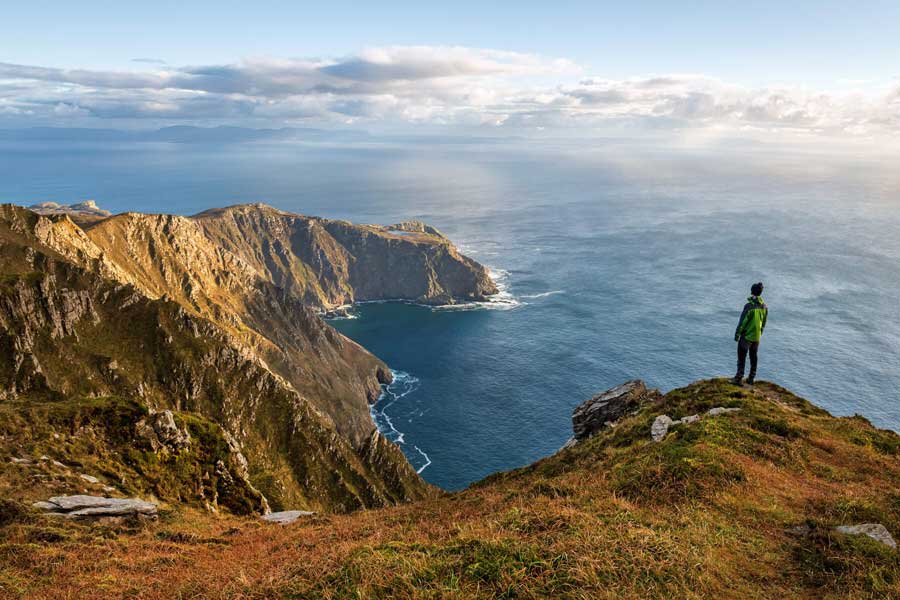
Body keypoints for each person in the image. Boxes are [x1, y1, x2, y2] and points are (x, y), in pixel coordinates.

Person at [732, 282, 768, 385]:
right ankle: (751, 378)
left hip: (746, 336)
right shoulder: (764, 307)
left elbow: (742, 322)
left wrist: (737, 335)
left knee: (741, 357)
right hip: (757, 337)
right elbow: (764, 322)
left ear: (751, 292)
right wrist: (760, 333)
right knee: (753, 357)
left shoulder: (749, 306)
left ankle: (739, 379)